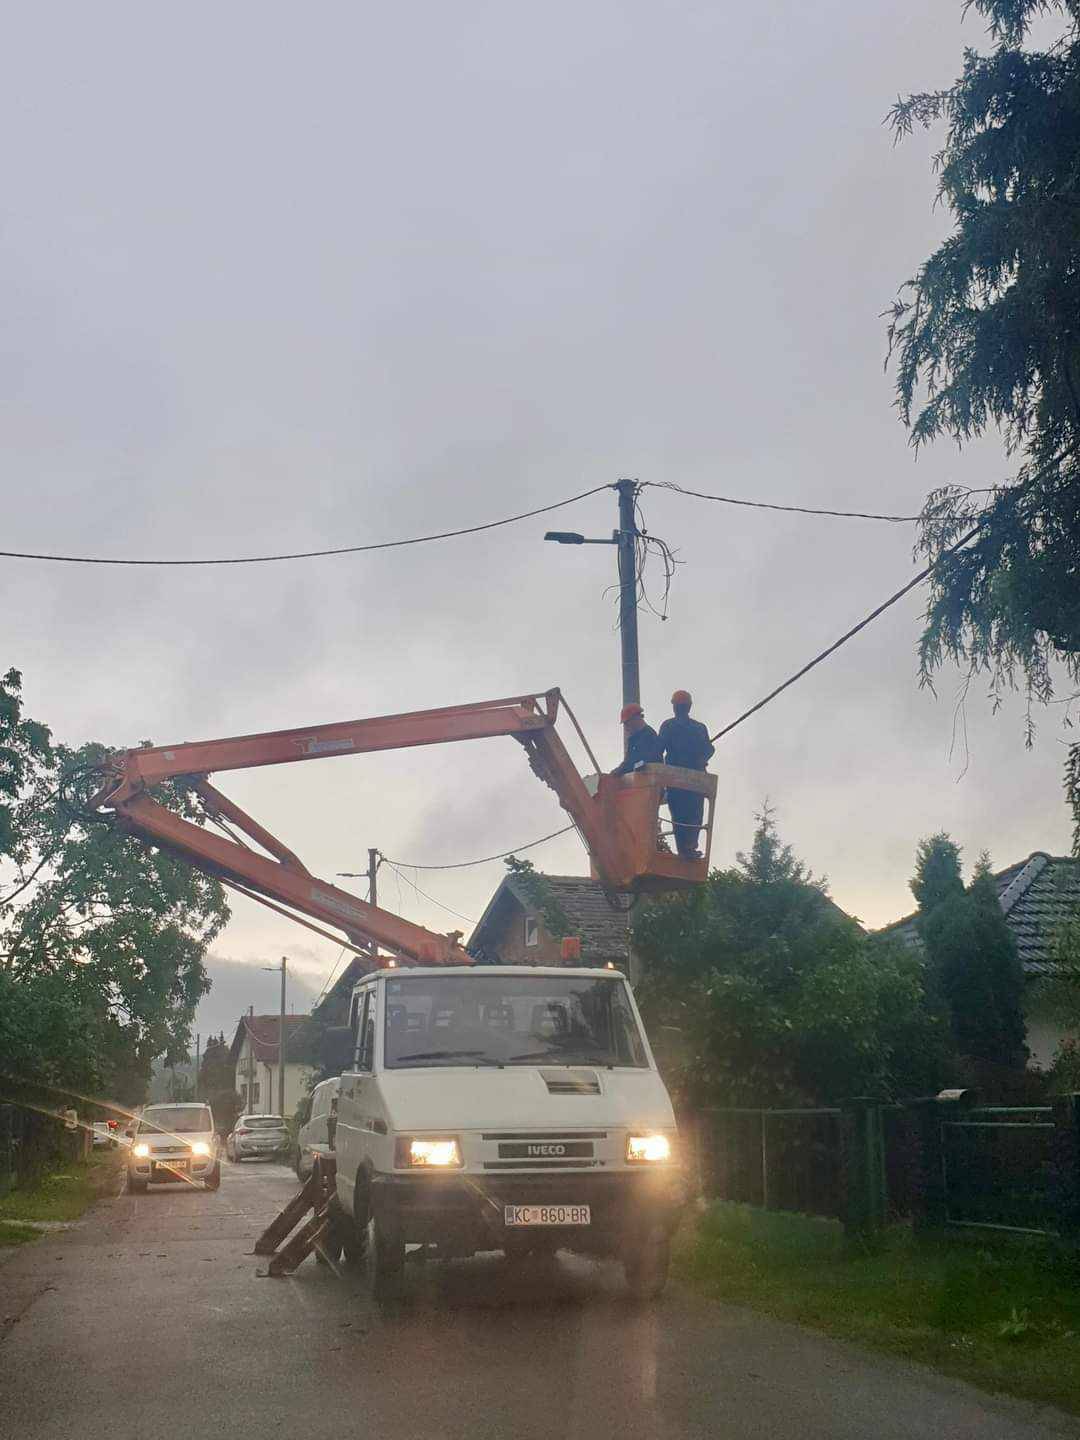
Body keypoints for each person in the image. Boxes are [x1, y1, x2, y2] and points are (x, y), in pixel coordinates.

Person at [658, 689, 714, 858]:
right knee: (690, 815)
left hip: (682, 780)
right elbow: (709, 750)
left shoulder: (671, 726)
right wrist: (701, 757)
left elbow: (658, 750)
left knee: (684, 816)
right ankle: (687, 849)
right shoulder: (697, 728)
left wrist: (701, 757)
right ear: (688, 706)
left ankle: (687, 849)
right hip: (689, 780)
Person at [611, 702, 663, 776]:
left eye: (627, 723)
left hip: (650, 781)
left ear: (635, 718)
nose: (626, 727)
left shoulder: (649, 735)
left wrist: (622, 770)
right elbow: (628, 762)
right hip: (639, 782)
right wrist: (618, 771)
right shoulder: (633, 739)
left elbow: (646, 761)